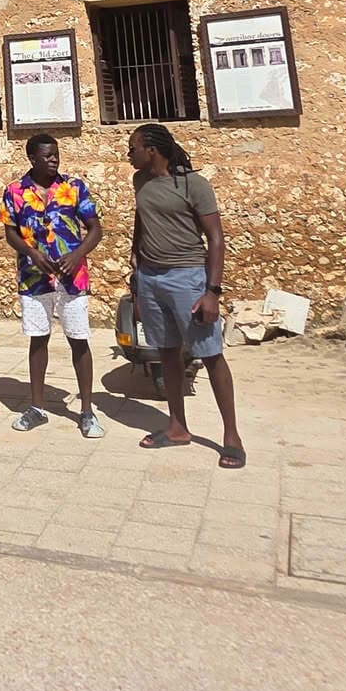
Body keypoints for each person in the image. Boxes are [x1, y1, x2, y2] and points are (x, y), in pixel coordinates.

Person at [128, 123, 245, 469]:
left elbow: (216, 238)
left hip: (188, 278)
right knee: (167, 352)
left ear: (151, 150)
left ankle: (232, 437)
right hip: (150, 278)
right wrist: (136, 264)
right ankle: (177, 427)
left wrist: (212, 292)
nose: (128, 154)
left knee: (210, 355)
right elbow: (141, 219)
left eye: (133, 148)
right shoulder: (140, 182)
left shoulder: (194, 185)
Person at [1, 133, 105, 437]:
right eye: (47, 156)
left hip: (72, 278)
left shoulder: (74, 187)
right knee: (38, 339)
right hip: (34, 278)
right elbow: (10, 232)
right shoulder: (15, 191)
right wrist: (32, 253)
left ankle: (87, 411)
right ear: (32, 158)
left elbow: (95, 229)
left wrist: (77, 255)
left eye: (56, 154)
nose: (54, 160)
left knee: (78, 339)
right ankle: (37, 408)